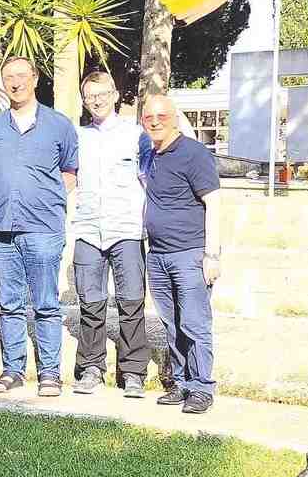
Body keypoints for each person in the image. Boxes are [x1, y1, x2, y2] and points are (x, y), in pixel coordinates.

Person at [0, 56, 79, 397]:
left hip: (43, 229)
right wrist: (2, 191)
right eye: (9, 77)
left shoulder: (59, 125)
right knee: (10, 304)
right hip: (1, 228)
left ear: (35, 78)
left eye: (21, 76)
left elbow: (70, 173)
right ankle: (13, 370)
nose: (15, 83)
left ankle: (49, 374)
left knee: (46, 303)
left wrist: (44, 198)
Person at [140, 92, 222, 414]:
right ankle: (182, 382)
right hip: (157, 255)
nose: (156, 121)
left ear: (175, 118)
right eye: (149, 117)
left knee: (195, 322)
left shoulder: (194, 153)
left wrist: (211, 256)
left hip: (190, 254)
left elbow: (214, 202)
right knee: (172, 323)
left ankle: (201, 387)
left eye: (162, 116)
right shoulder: (150, 154)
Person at [70, 71, 150, 398]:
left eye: (103, 94)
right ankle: (91, 367)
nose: (97, 101)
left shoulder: (136, 136)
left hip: (127, 230)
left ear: (115, 95)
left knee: (131, 302)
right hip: (88, 230)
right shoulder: (78, 137)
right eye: (90, 96)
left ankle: (133, 372)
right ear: (85, 101)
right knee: (90, 302)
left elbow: (149, 181)